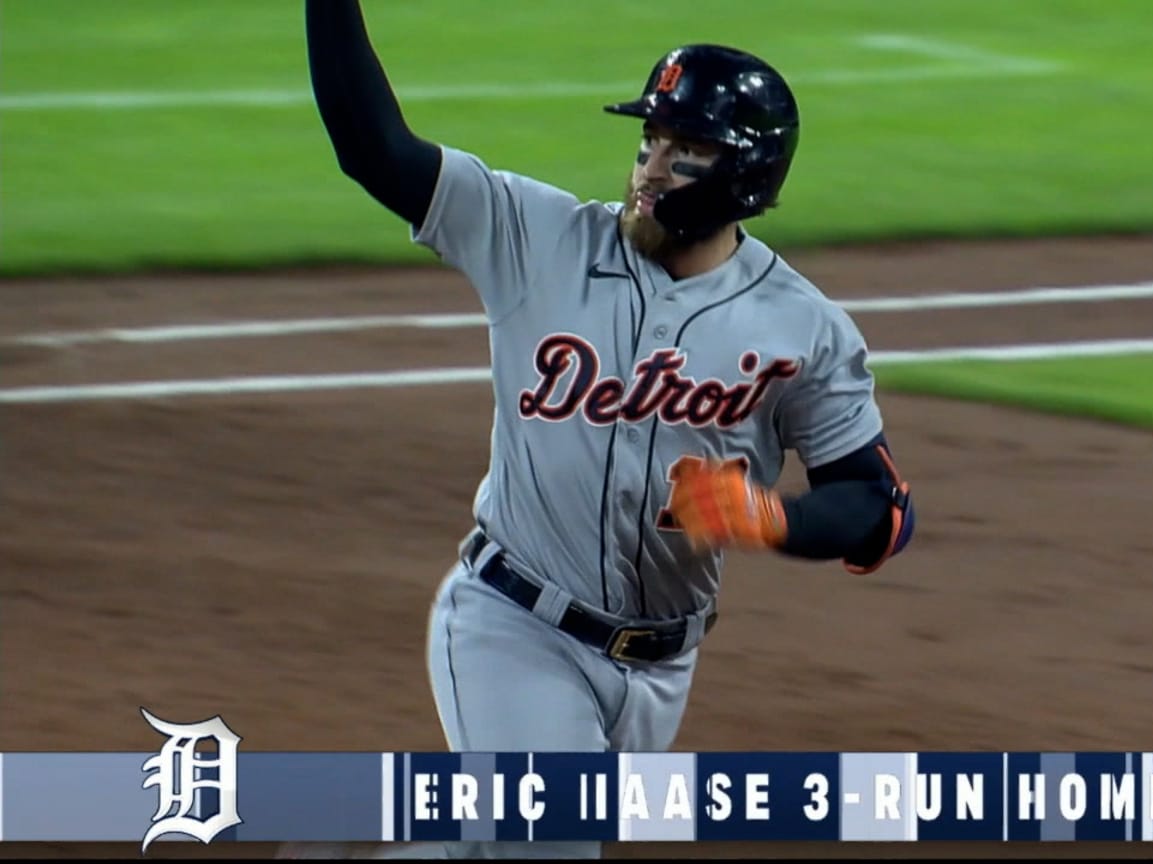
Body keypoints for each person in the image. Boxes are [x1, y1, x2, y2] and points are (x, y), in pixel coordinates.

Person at [302, 1, 916, 857]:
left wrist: (777, 518)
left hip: (661, 671)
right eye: (648, 143)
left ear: (743, 172)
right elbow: (374, 149)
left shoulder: (802, 329)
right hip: (513, 627)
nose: (651, 168)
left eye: (683, 150)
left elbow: (878, 509)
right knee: (548, 845)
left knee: (501, 848)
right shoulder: (535, 236)